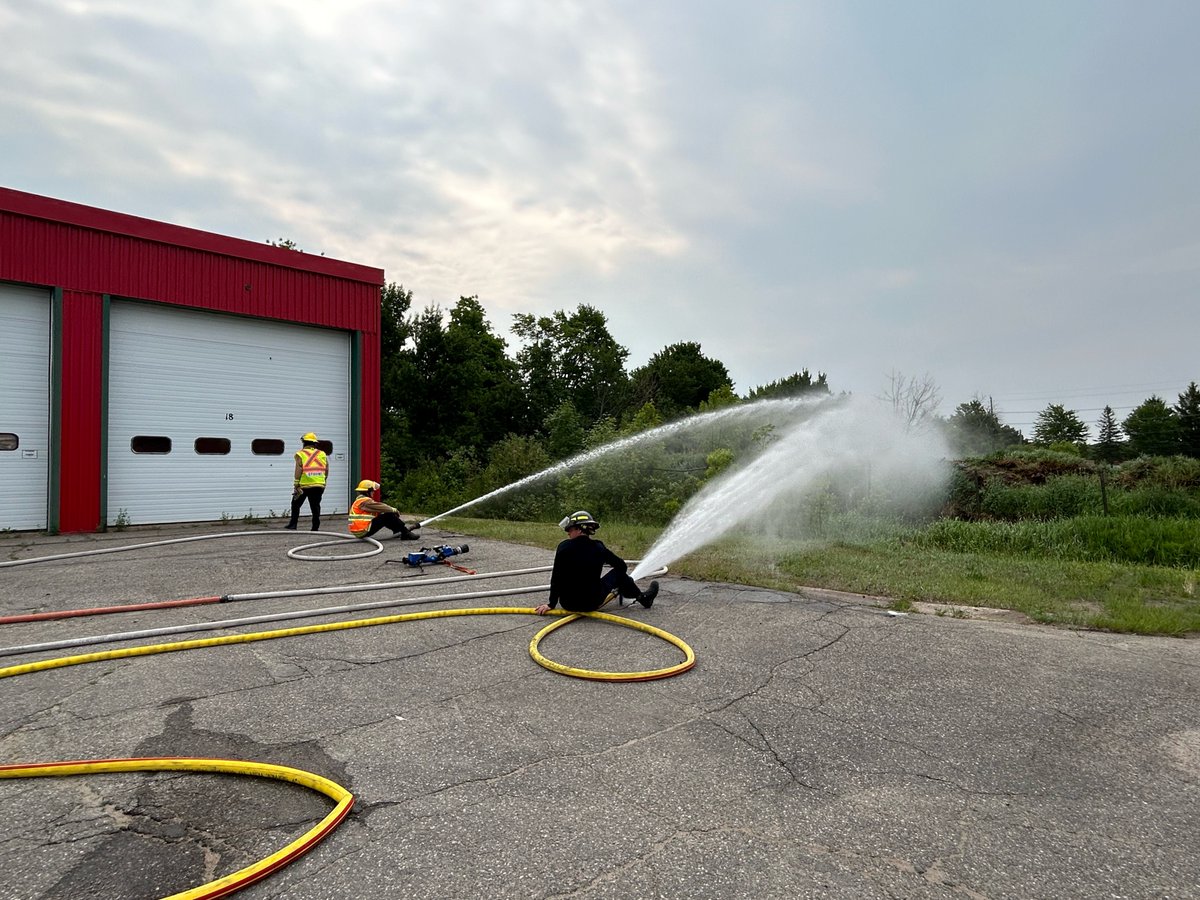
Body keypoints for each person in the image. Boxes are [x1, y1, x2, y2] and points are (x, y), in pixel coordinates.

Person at [535, 510, 658, 615]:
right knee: (618, 574)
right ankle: (642, 598)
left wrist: (551, 604)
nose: (568, 532)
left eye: (570, 529)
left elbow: (556, 577)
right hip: (591, 603)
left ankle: (629, 592)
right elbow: (621, 566)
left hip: (568, 604)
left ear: (579, 529)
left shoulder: (563, 547)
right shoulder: (598, 547)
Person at [348, 479, 421, 540]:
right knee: (388, 515)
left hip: (359, 530)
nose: (373, 492)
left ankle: (399, 532)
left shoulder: (359, 501)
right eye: (372, 491)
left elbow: (377, 511)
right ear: (367, 491)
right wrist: (394, 510)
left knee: (386, 516)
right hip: (363, 530)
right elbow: (381, 507)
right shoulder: (365, 502)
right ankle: (405, 533)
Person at [286, 432, 328, 531]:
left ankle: (293, 525)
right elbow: (326, 469)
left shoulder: (300, 454)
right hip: (319, 485)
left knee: (295, 504)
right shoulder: (322, 454)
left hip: (304, 485)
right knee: (315, 506)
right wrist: (323, 481)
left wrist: (296, 484)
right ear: (315, 443)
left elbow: (299, 469)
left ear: (304, 442)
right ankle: (315, 527)